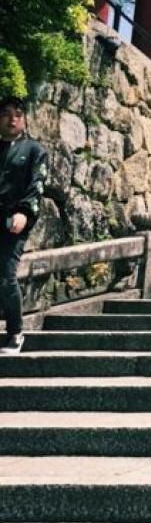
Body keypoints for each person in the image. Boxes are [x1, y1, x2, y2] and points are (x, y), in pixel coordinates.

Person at [0, 96, 48, 355]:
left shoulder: (34, 150)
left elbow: (37, 186)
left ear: (24, 118)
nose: (12, 118)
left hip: (13, 221)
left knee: (6, 275)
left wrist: (24, 212)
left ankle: (15, 332)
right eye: (6, 113)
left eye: (17, 114)